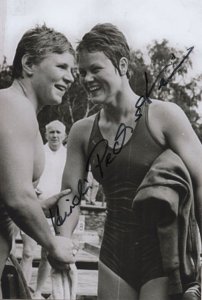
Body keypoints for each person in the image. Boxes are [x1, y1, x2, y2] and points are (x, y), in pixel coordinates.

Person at [55, 23, 201, 300]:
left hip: (162, 254)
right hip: (114, 254)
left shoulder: (164, 116)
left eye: (95, 69)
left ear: (122, 65)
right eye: (81, 72)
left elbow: (201, 181)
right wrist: (62, 239)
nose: (86, 79)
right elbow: (70, 194)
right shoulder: (82, 132)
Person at [0, 24, 78, 298]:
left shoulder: (19, 109)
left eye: (73, 71)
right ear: (29, 63)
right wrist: (51, 243)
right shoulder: (14, 105)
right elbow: (17, 197)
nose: (70, 78)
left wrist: (38, 206)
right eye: (62, 66)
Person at [32, 120, 67, 298]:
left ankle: (38, 292)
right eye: (51, 132)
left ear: (64, 135)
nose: (54, 135)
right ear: (46, 135)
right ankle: (24, 290)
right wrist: (32, 188)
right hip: (35, 206)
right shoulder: (39, 153)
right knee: (27, 252)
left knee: (48, 253)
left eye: (58, 132)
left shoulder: (68, 155)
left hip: (57, 210)